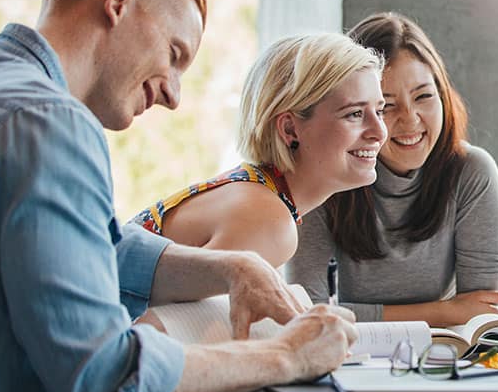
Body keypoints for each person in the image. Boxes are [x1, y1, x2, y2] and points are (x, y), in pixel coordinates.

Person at [0, 0, 358, 392]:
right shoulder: (49, 125)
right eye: (175, 55)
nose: (174, 95)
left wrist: (232, 268)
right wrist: (284, 355)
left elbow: (96, 248)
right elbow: (103, 377)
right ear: (120, 1)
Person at [286, 12, 498, 392]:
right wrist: (445, 311)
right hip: (345, 371)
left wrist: (450, 320)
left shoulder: (472, 172)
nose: (409, 120)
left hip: (440, 369)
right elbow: (308, 315)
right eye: (386, 105)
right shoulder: (329, 174)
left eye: (424, 96)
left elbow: (481, 322)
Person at [130, 33, 387, 270]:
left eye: (379, 111)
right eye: (354, 114)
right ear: (290, 129)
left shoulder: (258, 192)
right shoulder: (268, 222)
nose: (380, 132)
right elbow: (159, 318)